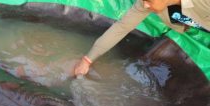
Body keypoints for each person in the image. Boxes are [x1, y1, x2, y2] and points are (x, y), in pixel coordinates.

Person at [74, 0, 210, 76]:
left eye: (148, 1)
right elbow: (122, 27)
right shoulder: (148, 3)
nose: (144, 5)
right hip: (194, 20)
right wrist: (87, 59)